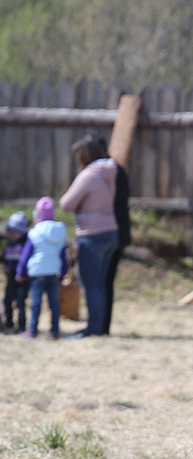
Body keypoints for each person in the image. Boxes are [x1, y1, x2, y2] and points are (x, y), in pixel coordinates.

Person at [60, 135, 120, 338]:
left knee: (91, 284)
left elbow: (67, 203)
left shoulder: (88, 175)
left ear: (84, 156)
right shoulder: (109, 174)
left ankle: (93, 328)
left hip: (91, 235)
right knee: (101, 284)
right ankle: (100, 326)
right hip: (110, 232)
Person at [15, 197, 69, 340]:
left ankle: (32, 331)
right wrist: (63, 274)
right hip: (53, 273)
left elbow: (26, 255)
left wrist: (20, 272)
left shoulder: (35, 232)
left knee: (36, 303)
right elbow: (63, 256)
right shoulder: (60, 231)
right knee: (54, 304)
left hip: (37, 274)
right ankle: (54, 331)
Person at [100, 139, 131, 335]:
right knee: (106, 283)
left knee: (102, 282)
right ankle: (103, 326)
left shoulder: (103, 173)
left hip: (109, 234)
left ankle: (101, 326)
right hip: (119, 234)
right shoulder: (117, 170)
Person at [0, 211, 30, 334]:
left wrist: (17, 271)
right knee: (7, 301)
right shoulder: (10, 244)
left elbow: (23, 262)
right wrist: (1, 258)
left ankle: (21, 327)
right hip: (10, 278)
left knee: (20, 303)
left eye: (13, 233)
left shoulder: (26, 244)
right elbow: (7, 258)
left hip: (22, 279)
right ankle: (9, 323)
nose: (11, 235)